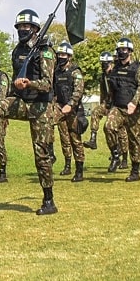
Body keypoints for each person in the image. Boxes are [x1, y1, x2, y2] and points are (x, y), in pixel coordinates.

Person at [0, 9, 58, 213]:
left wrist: (29, 83)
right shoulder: (17, 51)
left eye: (26, 27)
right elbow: (15, 80)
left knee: (40, 155)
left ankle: (48, 200)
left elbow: (47, 84)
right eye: (19, 27)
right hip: (22, 102)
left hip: (41, 107)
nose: (22, 30)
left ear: (35, 29)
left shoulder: (46, 50)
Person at [104, 36, 140, 180]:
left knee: (134, 140)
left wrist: (135, 102)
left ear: (130, 51)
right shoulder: (115, 68)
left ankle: (135, 171)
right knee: (108, 127)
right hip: (118, 107)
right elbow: (111, 86)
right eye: (119, 50)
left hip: (134, 109)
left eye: (124, 49)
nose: (121, 52)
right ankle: (115, 154)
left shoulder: (138, 68)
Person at [51, 41, 87, 180]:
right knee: (56, 131)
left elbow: (79, 91)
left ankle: (79, 170)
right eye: (59, 54)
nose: (61, 57)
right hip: (59, 107)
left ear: (69, 56)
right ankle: (60, 160)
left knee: (75, 139)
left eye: (63, 54)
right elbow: (54, 90)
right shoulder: (56, 72)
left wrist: (71, 105)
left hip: (74, 110)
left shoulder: (75, 72)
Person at [86, 51, 117, 168]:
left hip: (117, 105)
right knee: (95, 111)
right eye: (102, 64)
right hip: (107, 104)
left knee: (117, 132)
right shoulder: (103, 76)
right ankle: (93, 138)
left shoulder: (115, 73)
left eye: (106, 64)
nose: (104, 66)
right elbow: (103, 92)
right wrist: (103, 104)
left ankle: (119, 155)